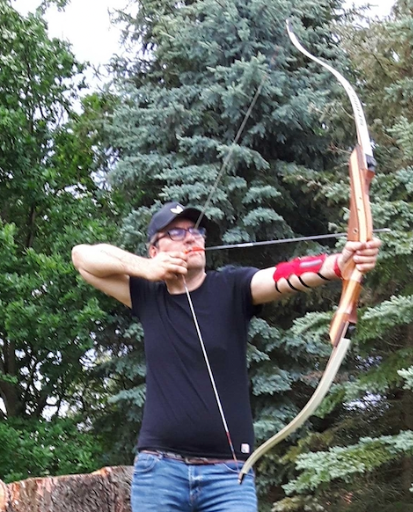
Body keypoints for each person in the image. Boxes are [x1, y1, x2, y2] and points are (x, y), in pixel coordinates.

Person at [71, 201, 381, 512]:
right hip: (160, 470)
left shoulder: (232, 287)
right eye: (176, 233)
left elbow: (281, 276)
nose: (191, 238)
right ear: (155, 250)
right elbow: (81, 257)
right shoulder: (148, 296)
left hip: (228, 476)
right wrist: (146, 269)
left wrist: (339, 264)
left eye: (197, 231)